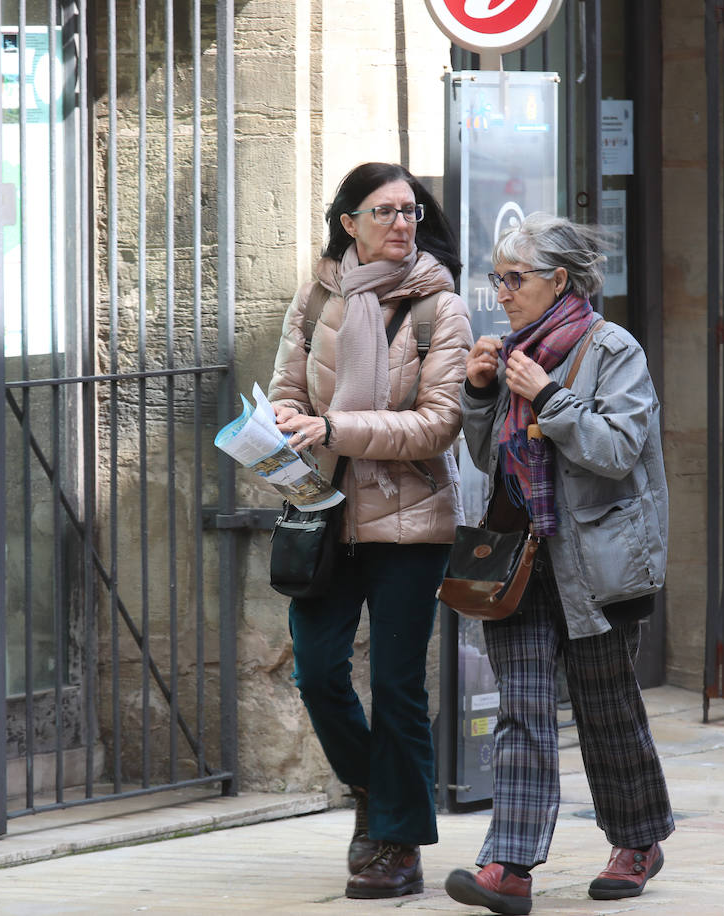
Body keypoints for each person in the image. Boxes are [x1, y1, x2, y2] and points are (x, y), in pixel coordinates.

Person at [443, 213, 674, 915]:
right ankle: (508, 867)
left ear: (560, 281)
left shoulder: (614, 349)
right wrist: (480, 393)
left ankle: (637, 842)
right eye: (497, 279)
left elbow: (616, 450)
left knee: (606, 709)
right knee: (522, 711)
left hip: (598, 562)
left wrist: (546, 394)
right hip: (517, 557)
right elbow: (486, 456)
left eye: (515, 279)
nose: (502, 293)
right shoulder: (513, 352)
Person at [268, 162, 473, 899]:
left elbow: (438, 424)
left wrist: (334, 428)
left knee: (396, 684)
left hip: (410, 524)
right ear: (348, 222)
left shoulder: (439, 308)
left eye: (410, 211)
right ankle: (377, 790)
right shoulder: (317, 296)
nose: (401, 224)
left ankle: (399, 843)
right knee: (318, 672)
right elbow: (288, 388)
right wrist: (282, 421)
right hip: (324, 514)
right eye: (384, 211)